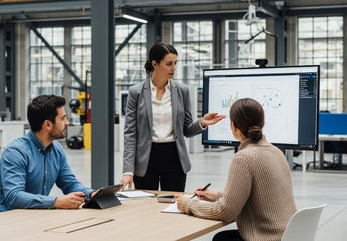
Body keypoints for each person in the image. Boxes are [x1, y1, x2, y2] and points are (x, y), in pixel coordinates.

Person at [175, 98, 297, 241]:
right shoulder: (276, 151)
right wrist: (218, 196)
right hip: (287, 236)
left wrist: (188, 204)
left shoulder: (244, 158)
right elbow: (258, 198)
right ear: (262, 123)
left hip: (265, 237)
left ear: (233, 126)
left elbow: (225, 212)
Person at [120, 42, 225, 192]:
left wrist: (201, 122)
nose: (174, 68)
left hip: (175, 159)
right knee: (145, 206)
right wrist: (127, 171)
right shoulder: (136, 92)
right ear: (155, 64)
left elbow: (187, 130)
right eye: (169, 64)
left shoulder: (182, 91)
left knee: (173, 206)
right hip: (145, 161)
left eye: (175, 63)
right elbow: (130, 134)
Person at [0, 95, 95, 213]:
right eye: (62, 119)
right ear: (47, 125)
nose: (67, 123)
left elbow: (70, 184)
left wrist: (92, 194)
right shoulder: (16, 152)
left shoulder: (57, 149)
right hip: (10, 221)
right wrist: (56, 202)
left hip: (37, 215)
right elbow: (14, 197)